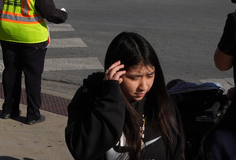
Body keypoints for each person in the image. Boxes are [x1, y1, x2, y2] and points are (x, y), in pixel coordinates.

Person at [65, 32, 185, 160]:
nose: (144, 86)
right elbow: (83, 150)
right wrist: (110, 99)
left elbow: (177, 151)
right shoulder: (91, 98)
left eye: (150, 76)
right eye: (134, 78)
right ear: (115, 72)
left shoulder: (160, 102)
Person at [0, 0, 67, 124]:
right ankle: (32, 115)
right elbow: (50, 13)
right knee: (32, 76)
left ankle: (9, 109)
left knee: (11, 72)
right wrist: (63, 15)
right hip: (32, 39)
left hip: (7, 36)